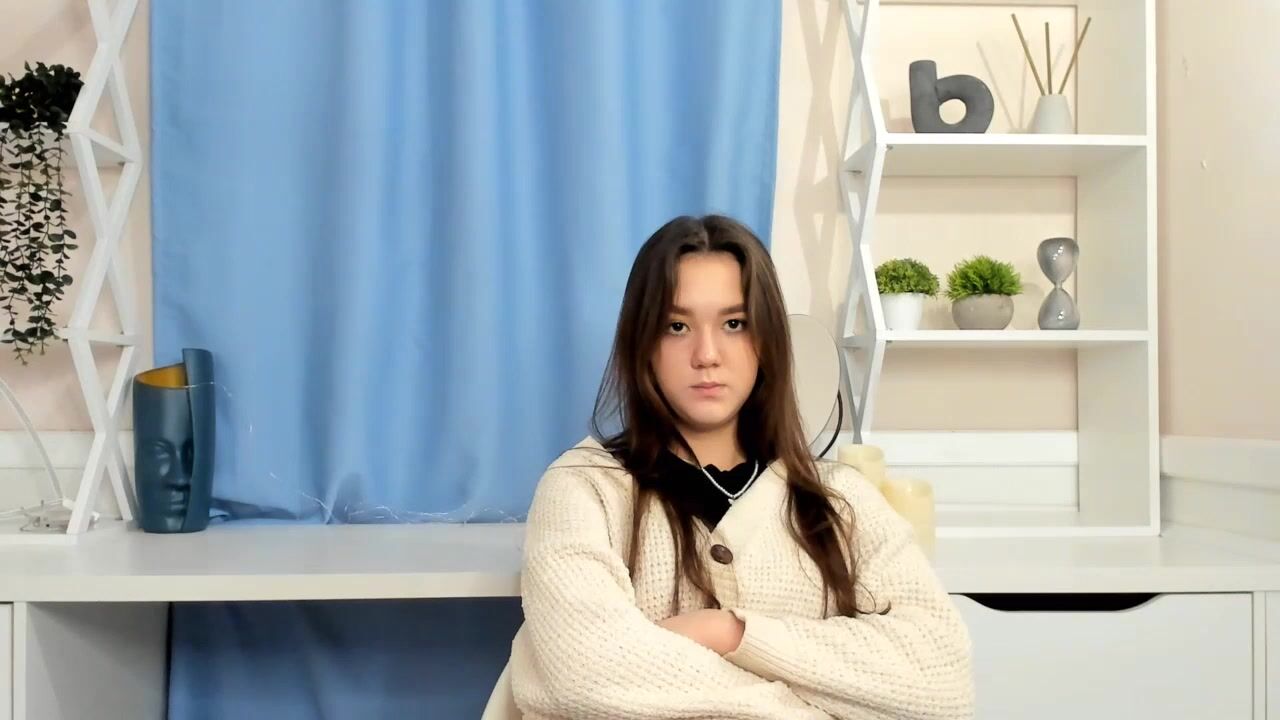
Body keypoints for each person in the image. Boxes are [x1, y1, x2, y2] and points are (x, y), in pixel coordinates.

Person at [505, 214, 974, 719]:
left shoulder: (840, 498)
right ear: (643, 343)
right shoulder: (584, 489)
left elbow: (944, 676)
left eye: (734, 324)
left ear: (766, 340)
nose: (707, 355)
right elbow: (582, 670)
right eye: (677, 326)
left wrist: (730, 633)